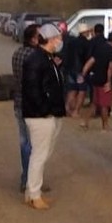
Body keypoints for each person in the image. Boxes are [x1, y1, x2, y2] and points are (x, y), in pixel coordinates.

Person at [21, 23, 67, 210]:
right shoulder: (36, 60)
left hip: (49, 113)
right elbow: (33, 90)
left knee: (42, 154)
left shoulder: (47, 58)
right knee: (39, 155)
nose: (60, 41)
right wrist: (45, 109)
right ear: (51, 39)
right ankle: (34, 194)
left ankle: (31, 192)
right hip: (40, 115)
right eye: (58, 38)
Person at [12, 24, 45, 194]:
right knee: (37, 146)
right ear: (33, 39)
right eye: (39, 35)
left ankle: (26, 178)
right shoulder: (37, 56)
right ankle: (33, 181)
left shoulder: (17, 53)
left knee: (25, 142)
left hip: (20, 103)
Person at [81, 23, 112, 131]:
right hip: (104, 80)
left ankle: (85, 121)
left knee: (94, 103)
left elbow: (90, 61)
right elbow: (110, 68)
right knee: (104, 105)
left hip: (95, 79)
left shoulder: (100, 48)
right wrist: (109, 81)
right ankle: (105, 126)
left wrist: (84, 72)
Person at [62, 24, 93, 118]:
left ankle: (66, 108)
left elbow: (65, 55)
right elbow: (87, 58)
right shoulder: (87, 44)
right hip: (81, 71)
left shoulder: (71, 42)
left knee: (72, 89)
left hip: (70, 70)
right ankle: (76, 111)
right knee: (81, 91)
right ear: (85, 32)